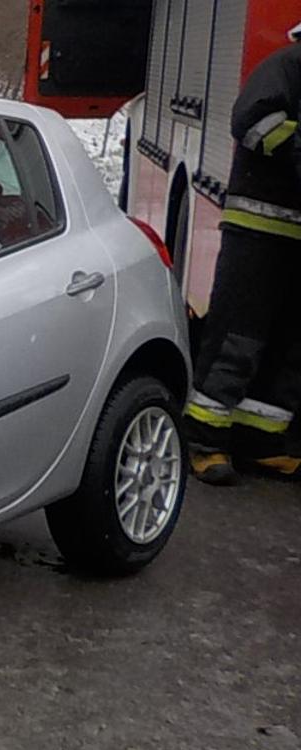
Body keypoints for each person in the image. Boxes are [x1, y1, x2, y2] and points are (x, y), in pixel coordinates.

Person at [186, 22, 301, 485]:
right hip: (260, 228)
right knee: (240, 334)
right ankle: (205, 439)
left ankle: (262, 442)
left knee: (289, 342)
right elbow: (251, 120)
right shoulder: (287, 66)